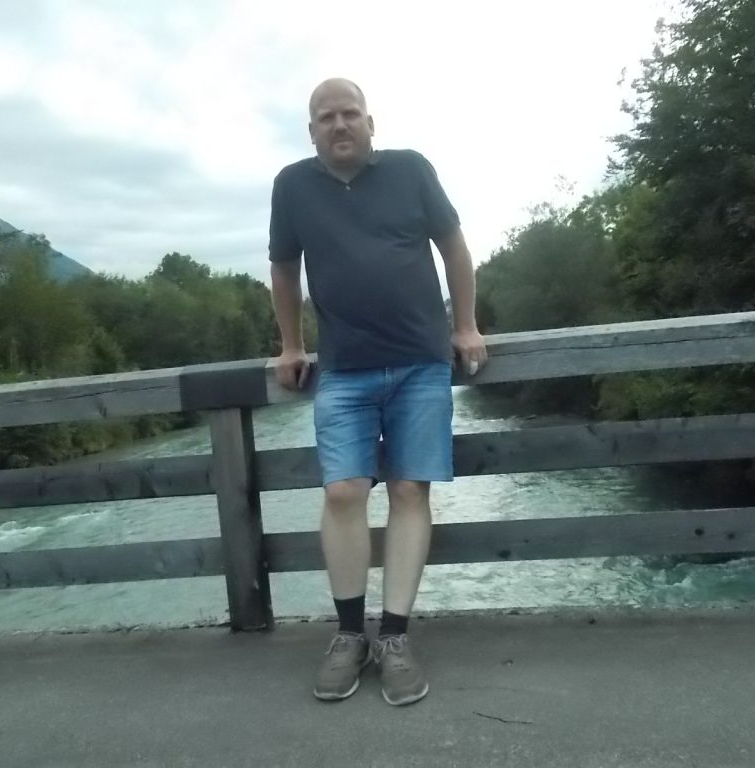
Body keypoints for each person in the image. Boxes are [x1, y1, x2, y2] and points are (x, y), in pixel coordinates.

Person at [267, 77, 488, 706]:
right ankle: (348, 634)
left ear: (371, 122)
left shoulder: (411, 170)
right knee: (343, 492)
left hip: (420, 362)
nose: (339, 124)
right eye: (326, 117)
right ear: (312, 131)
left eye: (350, 113)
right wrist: (291, 344)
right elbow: (283, 267)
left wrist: (465, 325)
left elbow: (454, 248)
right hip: (344, 368)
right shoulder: (292, 185)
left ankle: (393, 637)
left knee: (409, 490)